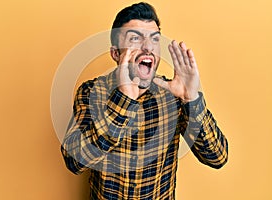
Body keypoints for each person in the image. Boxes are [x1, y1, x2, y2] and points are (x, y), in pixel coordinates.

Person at [61, 2, 228, 199]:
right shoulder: (91, 93)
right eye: (135, 38)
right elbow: (75, 163)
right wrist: (122, 101)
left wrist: (190, 98)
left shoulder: (173, 97)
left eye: (154, 39)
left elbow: (217, 157)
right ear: (116, 53)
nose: (148, 47)